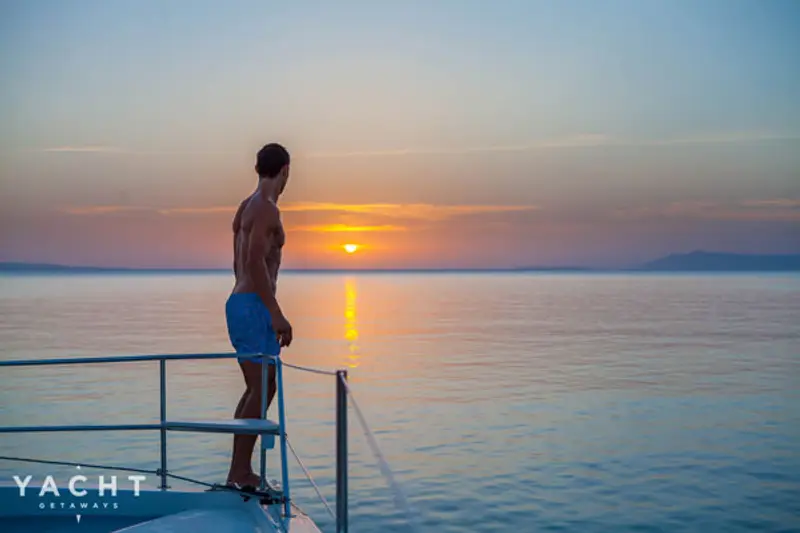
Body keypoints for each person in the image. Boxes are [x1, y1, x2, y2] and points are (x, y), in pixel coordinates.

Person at [224, 143, 293, 488]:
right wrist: (275, 313)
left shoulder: (245, 207)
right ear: (285, 171)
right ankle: (240, 472)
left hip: (242, 302)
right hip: (253, 305)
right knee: (261, 387)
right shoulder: (266, 209)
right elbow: (253, 261)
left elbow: (238, 263)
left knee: (261, 387)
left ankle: (238, 472)